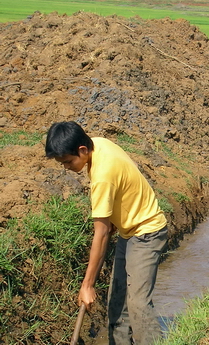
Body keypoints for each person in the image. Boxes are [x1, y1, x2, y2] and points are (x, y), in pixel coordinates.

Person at [45, 121, 168, 344]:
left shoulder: (102, 175)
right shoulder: (98, 144)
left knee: (138, 304)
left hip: (147, 232)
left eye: (68, 161)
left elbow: (100, 234)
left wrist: (87, 285)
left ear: (82, 150)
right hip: (127, 229)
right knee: (118, 303)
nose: (66, 167)